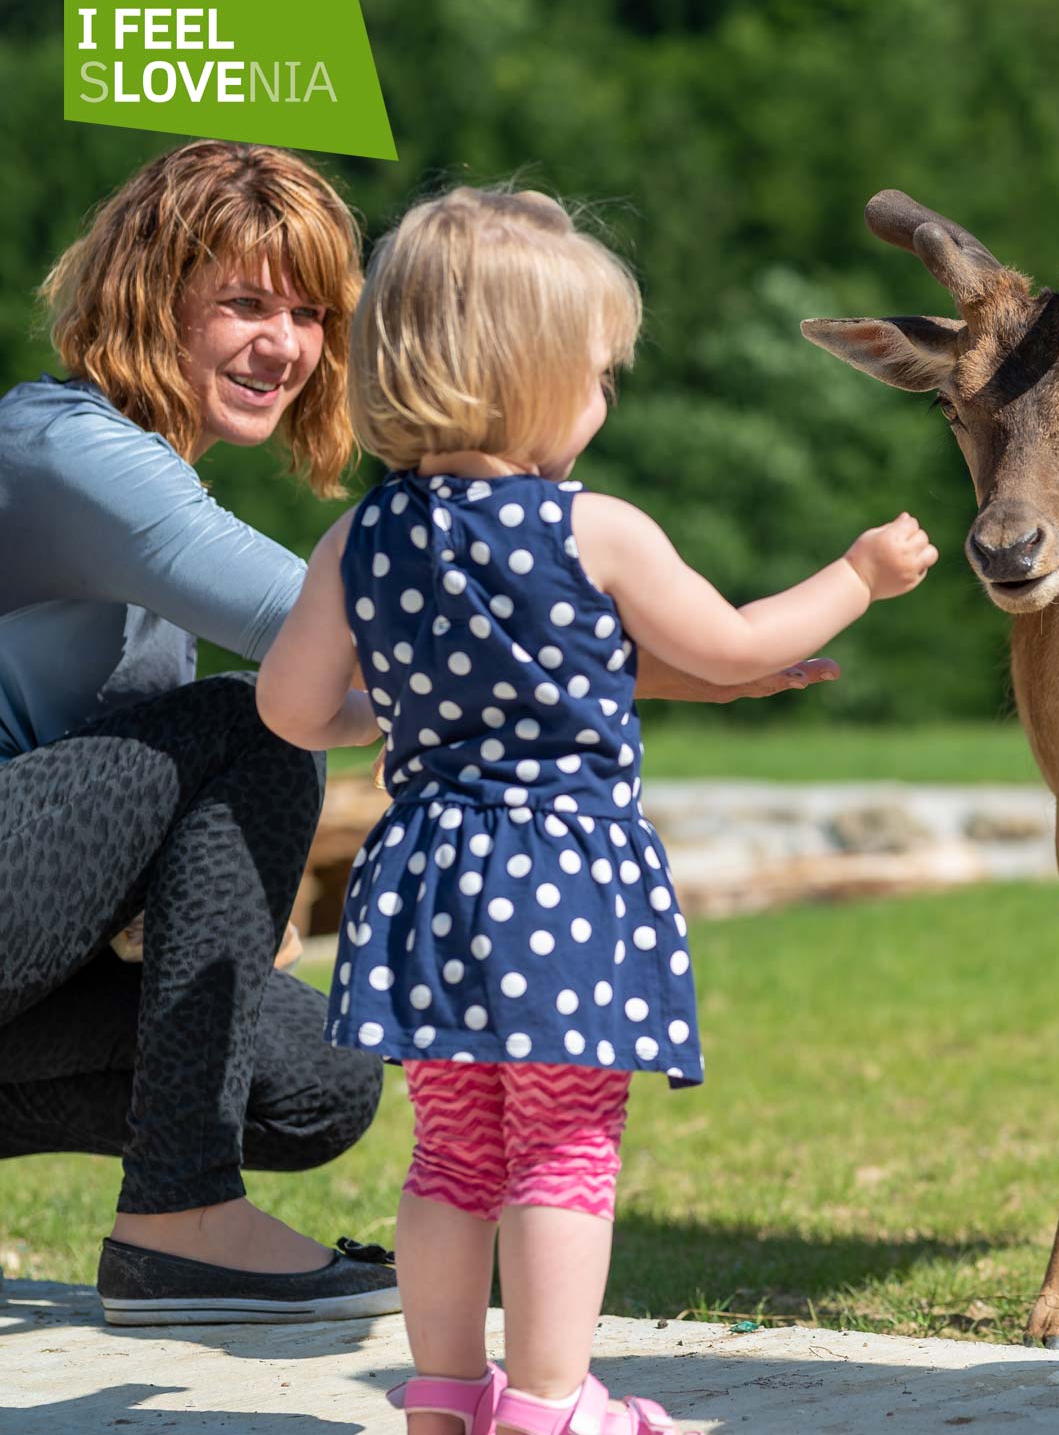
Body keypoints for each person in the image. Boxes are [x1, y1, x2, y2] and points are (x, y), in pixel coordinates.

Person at [0, 143, 832, 1327]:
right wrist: (696, 663)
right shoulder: (68, 452)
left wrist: (220, 894)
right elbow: (387, 643)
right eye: (242, 304)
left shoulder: (137, 482)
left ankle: (185, 1203)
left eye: (306, 312)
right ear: (145, 299)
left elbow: (389, 676)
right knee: (254, 725)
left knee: (316, 1083)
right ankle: (178, 1220)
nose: (282, 345)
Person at [255, 186, 937, 1435]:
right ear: (533, 379)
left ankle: (448, 1398)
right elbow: (729, 647)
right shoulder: (595, 530)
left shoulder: (361, 540)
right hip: (562, 880)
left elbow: (296, 710)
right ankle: (556, 1406)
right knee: (564, 1150)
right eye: (600, 374)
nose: (606, 398)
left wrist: (390, 720)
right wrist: (858, 576)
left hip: (428, 882)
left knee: (451, 1152)